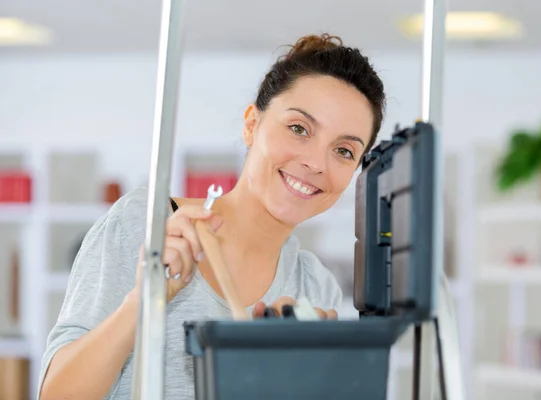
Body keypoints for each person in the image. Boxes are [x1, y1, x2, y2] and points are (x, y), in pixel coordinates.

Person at [38, 32, 386, 400]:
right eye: (299, 129)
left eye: (344, 151)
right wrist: (143, 300)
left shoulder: (314, 288)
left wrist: (290, 367)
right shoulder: (148, 225)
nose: (316, 163)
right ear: (252, 123)